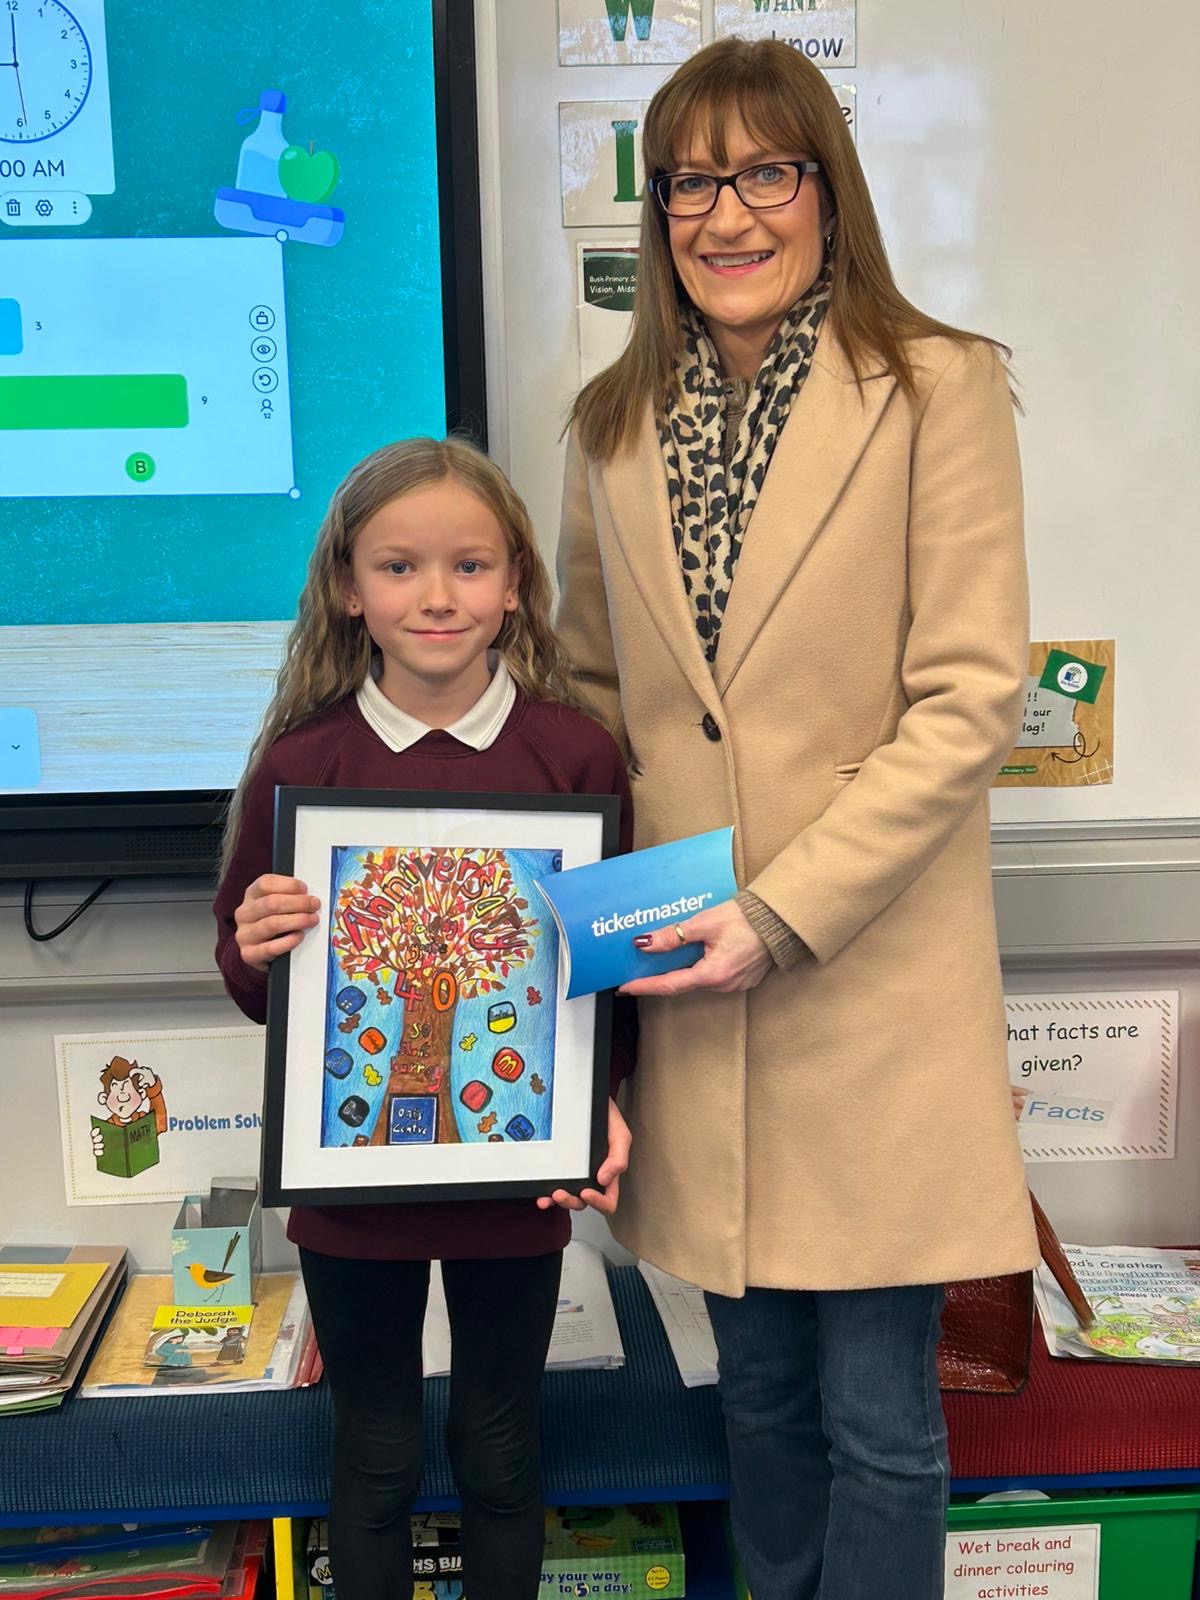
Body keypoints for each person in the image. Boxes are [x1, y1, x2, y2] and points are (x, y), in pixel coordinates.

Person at [556, 37, 1037, 1600]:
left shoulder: (936, 385)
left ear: (827, 190)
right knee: (755, 1396)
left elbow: (968, 697)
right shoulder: (610, 422)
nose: (727, 214)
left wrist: (780, 911)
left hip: (869, 985)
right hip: (691, 996)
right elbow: (586, 700)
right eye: (690, 183)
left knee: (882, 1421)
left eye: (765, 171)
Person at [214, 437, 633, 1600]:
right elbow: (256, 984)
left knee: (500, 1445)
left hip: (520, 1177)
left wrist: (602, 1105)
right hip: (353, 1188)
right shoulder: (304, 763)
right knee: (377, 1448)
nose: (436, 596)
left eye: (469, 565)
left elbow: (605, 975)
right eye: (399, 567)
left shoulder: (575, 755)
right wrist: (258, 943)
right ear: (350, 588)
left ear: (516, 585)